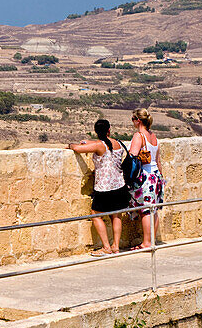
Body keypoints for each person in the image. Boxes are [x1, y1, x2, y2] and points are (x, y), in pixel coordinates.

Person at [68, 119, 130, 256]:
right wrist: (87, 142)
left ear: (96, 132)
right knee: (116, 216)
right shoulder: (118, 143)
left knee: (96, 215)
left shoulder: (99, 146)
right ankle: (116, 246)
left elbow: (78, 149)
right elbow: (97, 144)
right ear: (109, 130)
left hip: (104, 187)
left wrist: (71, 145)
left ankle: (106, 247)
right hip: (119, 185)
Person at [128, 108, 164, 250]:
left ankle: (146, 243)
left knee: (145, 210)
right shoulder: (154, 136)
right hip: (156, 176)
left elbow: (133, 155)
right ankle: (152, 241)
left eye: (132, 119)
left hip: (145, 177)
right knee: (153, 210)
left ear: (138, 120)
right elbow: (158, 160)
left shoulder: (139, 136)